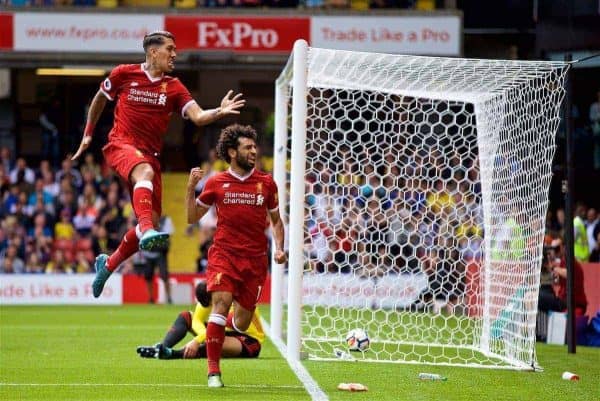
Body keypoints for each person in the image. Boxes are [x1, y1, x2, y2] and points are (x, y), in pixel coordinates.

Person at [70, 30, 245, 298]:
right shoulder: (123, 74)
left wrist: (219, 111)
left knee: (145, 224)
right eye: (170, 49)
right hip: (121, 145)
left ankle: (109, 264)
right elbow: (99, 99)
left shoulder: (174, 87)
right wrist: (88, 133)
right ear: (153, 52)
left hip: (150, 156)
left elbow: (198, 116)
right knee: (146, 178)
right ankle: (148, 231)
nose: (175, 54)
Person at [186, 124, 286, 388]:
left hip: (254, 261)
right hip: (224, 255)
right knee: (220, 303)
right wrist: (190, 189)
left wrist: (279, 247)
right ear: (232, 152)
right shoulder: (217, 182)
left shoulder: (266, 183)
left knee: (241, 323)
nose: (254, 151)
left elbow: (276, 221)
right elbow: (191, 217)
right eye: (248, 147)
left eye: (254, 147)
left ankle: (211, 333)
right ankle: (213, 372)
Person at [136, 280, 264, 360]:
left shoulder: (230, 301)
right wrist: (200, 337)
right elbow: (196, 320)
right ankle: (162, 348)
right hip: (223, 332)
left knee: (215, 341)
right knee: (186, 316)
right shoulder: (210, 294)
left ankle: (172, 354)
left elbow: (217, 328)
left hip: (249, 340)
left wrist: (197, 341)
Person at [139, 214, 174, 304]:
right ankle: (150, 298)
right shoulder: (145, 219)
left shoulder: (166, 220)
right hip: (148, 254)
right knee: (148, 277)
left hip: (160, 253)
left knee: (164, 275)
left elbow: (168, 237)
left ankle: (169, 297)